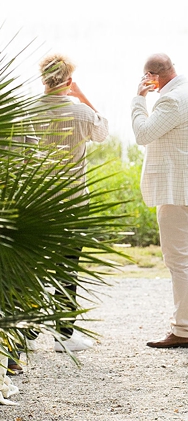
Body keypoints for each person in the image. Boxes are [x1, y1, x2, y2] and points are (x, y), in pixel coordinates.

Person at [131, 53, 188, 350]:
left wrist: (138, 100)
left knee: (179, 260)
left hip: (178, 191)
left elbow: (143, 134)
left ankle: (183, 328)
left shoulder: (170, 100)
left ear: (152, 76)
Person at [37, 52, 110, 352]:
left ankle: (26, 334)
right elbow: (103, 132)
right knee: (67, 267)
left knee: (34, 267)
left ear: (43, 79)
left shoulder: (27, 111)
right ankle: (63, 336)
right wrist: (81, 95)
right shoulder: (81, 112)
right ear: (68, 80)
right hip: (73, 202)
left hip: (36, 202)